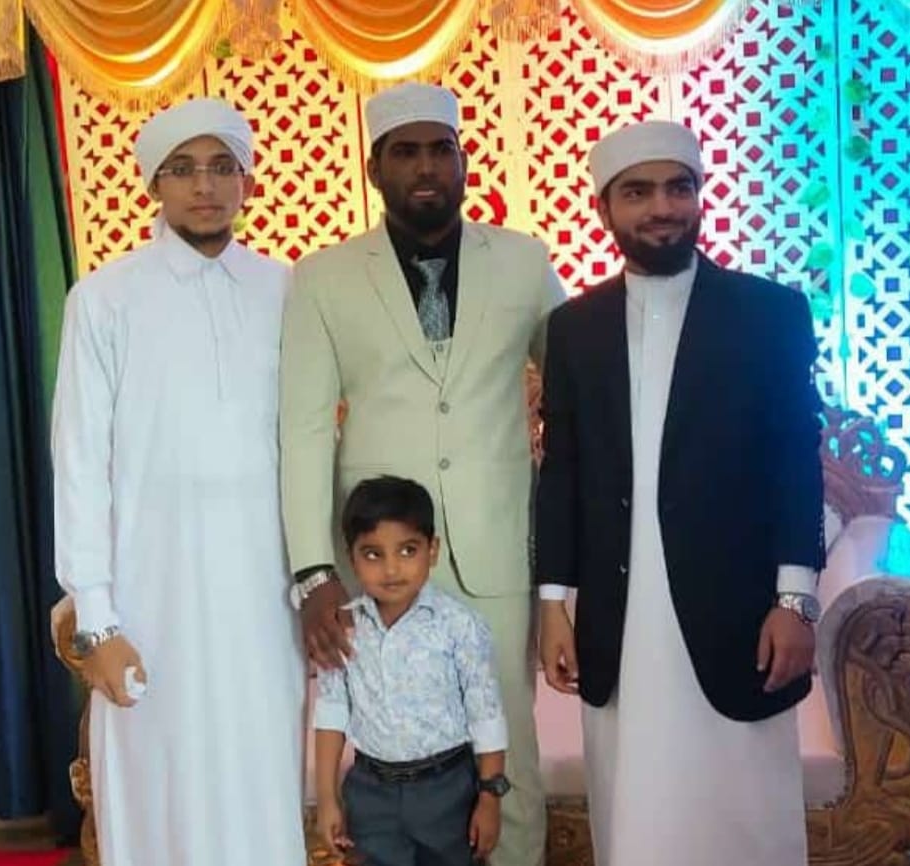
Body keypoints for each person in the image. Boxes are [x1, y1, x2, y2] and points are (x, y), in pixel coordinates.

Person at [280, 82, 565, 866]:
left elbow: (577, 390)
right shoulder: (324, 278)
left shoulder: (524, 262)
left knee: (510, 758)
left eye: (442, 149)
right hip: (377, 562)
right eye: (405, 152)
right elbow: (303, 432)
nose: (427, 166)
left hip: (494, 552)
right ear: (374, 169)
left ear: (464, 160)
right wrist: (314, 575)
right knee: (385, 758)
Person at [535, 120, 825, 866]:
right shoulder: (573, 328)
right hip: (620, 611)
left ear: (699, 196)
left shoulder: (768, 312)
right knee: (638, 813)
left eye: (678, 188)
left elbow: (795, 458)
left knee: (745, 816)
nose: (662, 207)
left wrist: (795, 599)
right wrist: (553, 604)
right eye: (638, 192)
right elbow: (561, 468)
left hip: (739, 612)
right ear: (604, 208)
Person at [51, 98, 306, 866]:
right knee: (155, 780)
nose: (205, 186)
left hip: (264, 599)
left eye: (223, 166)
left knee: (260, 774)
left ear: (248, 181)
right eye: (183, 169)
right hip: (148, 595)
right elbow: (79, 461)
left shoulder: (288, 291)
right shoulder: (104, 299)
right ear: (152, 185)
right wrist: (97, 622)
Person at [314, 475, 510, 865]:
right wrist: (326, 798)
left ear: (432, 550)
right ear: (351, 558)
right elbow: (331, 713)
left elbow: (486, 713)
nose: (391, 569)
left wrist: (490, 796)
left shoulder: (459, 625)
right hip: (371, 793)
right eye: (373, 554)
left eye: (407, 550)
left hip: (447, 790)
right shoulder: (345, 628)